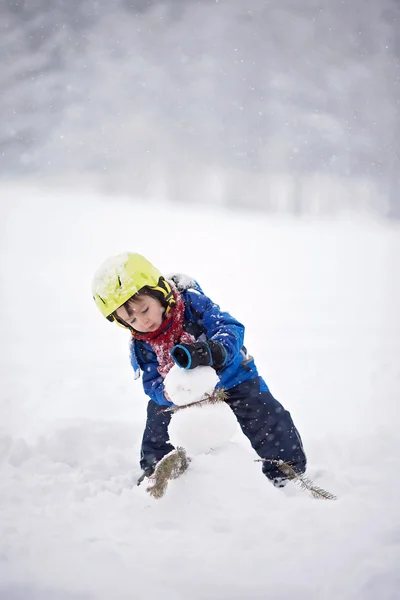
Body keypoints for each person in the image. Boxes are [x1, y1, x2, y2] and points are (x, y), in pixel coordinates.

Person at [92, 252, 307, 487]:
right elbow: (151, 380)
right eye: (131, 320)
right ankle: (157, 476)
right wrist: (164, 394)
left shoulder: (192, 305)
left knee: (266, 416)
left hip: (232, 376)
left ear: (159, 292)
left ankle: (287, 473)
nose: (142, 322)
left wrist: (217, 350)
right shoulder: (142, 344)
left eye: (144, 310)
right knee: (158, 424)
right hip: (182, 393)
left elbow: (229, 326)